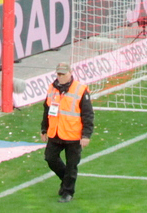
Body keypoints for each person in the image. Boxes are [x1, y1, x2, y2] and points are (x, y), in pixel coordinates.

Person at [40, 62, 93, 203]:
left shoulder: (80, 90)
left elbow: (88, 114)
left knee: (71, 165)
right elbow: (47, 109)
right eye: (59, 74)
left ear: (70, 73)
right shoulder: (52, 88)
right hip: (56, 132)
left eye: (63, 74)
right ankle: (66, 182)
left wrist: (86, 135)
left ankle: (68, 192)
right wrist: (44, 128)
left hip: (73, 134)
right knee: (50, 158)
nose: (61, 76)